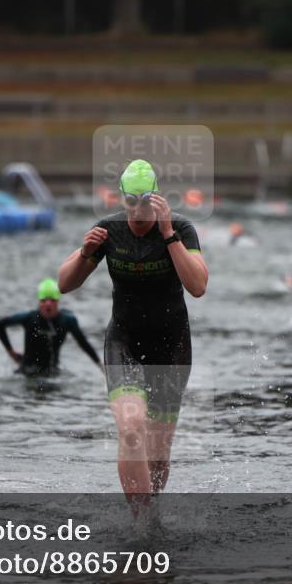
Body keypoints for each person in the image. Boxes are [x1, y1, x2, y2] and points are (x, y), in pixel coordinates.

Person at [57, 160, 209, 505]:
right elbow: (65, 283)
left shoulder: (181, 229)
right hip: (124, 341)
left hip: (172, 347)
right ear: (121, 200)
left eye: (146, 202)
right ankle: (140, 526)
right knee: (129, 426)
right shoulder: (108, 231)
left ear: (157, 198)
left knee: (158, 455)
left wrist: (168, 234)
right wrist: (85, 253)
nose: (139, 211)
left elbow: (198, 286)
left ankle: (151, 514)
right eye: (132, 203)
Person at [0, 278, 102, 377]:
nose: (48, 304)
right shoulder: (29, 318)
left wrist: (101, 366)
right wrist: (11, 352)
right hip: (27, 374)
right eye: (44, 300)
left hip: (52, 374)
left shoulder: (67, 321)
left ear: (58, 302)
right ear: (39, 302)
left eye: (52, 300)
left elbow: (83, 343)